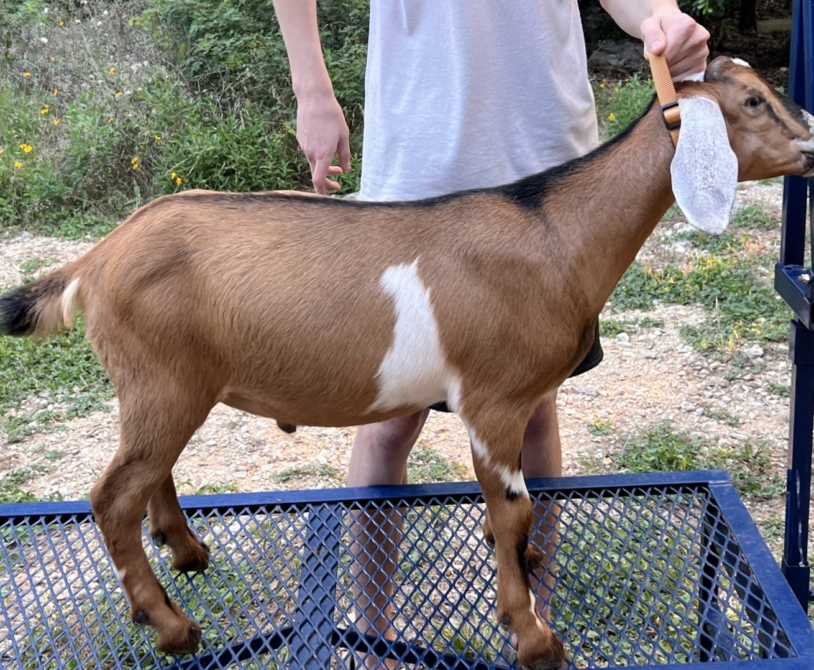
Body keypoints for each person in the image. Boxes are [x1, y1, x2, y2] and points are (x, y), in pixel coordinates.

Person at [272, 0, 709, 666]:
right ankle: (373, 639)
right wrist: (312, 89)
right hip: (418, 161)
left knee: (533, 415)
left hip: (544, 160)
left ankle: (535, 621)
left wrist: (660, 16)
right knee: (390, 421)